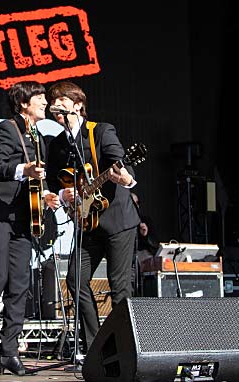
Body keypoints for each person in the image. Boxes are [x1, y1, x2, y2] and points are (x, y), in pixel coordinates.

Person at [0, 81, 60, 377]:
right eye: (40, 97)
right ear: (23, 103)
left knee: (20, 283)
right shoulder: (6, 130)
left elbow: (36, 181)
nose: (45, 102)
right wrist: (24, 170)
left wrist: (45, 195)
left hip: (23, 218)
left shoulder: (39, 138)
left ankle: (8, 353)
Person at [44, 80, 139, 356]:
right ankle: (95, 346)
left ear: (77, 105)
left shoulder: (100, 131)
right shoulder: (57, 144)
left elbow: (120, 162)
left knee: (119, 287)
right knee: (75, 280)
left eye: (62, 100)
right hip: (87, 223)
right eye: (53, 101)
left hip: (118, 221)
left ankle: (125, 349)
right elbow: (52, 181)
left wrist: (126, 177)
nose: (56, 105)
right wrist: (63, 194)